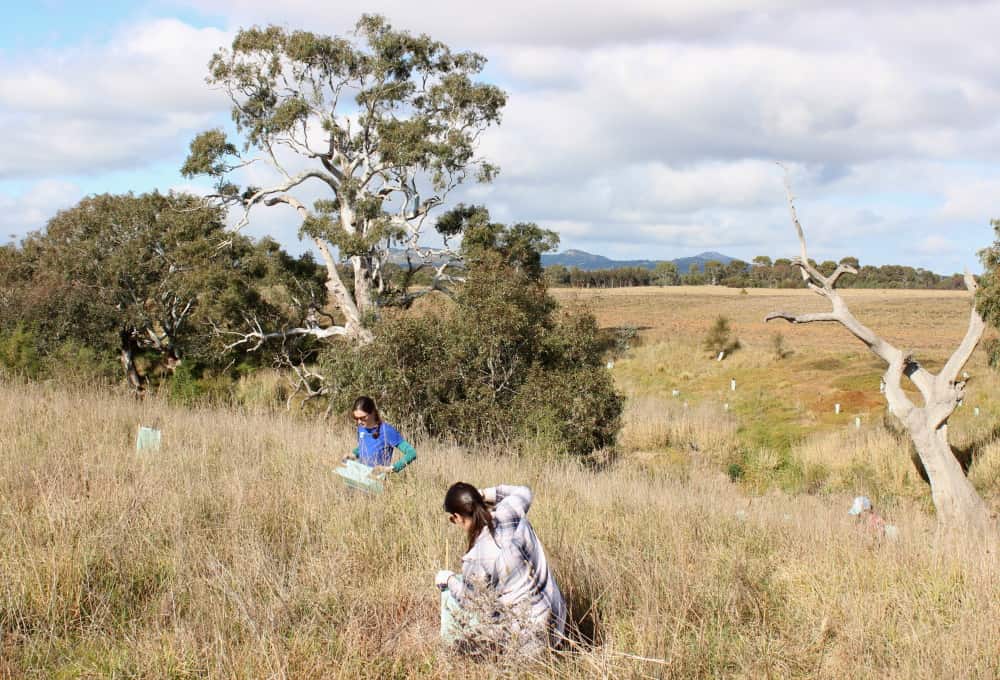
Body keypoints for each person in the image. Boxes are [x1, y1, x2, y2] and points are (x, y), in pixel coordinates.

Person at [435, 482, 566, 655]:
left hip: (529, 641)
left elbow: (470, 602)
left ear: (457, 517)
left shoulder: (475, 558)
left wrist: (448, 579)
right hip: (559, 618)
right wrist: (482, 494)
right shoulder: (510, 512)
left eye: (453, 519)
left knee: (463, 645)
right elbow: (524, 491)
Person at [342, 396, 417, 476]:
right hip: (359, 478)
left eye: (363, 417)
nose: (359, 422)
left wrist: (391, 469)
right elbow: (366, 446)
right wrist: (353, 454)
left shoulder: (387, 430)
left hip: (377, 482)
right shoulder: (361, 428)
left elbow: (412, 453)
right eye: (356, 418)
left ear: (373, 412)